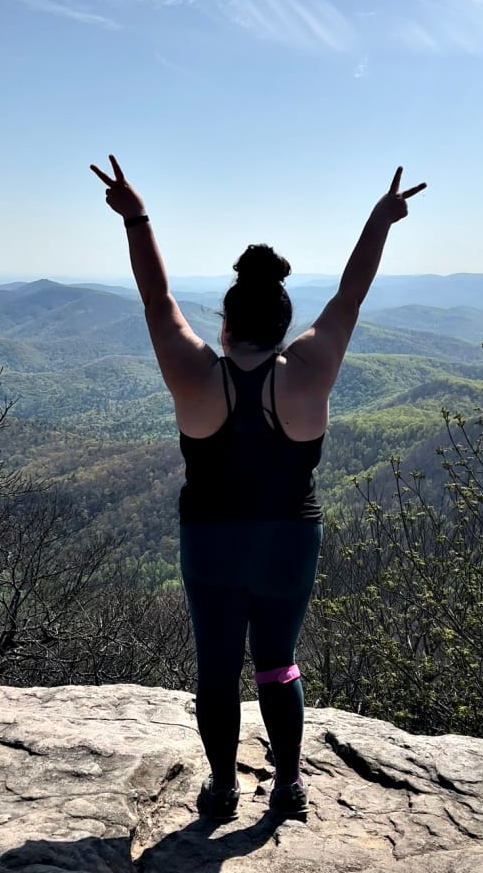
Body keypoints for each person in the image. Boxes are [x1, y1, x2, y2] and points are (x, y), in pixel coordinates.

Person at [91, 155, 426, 820]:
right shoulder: (309, 370)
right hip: (288, 542)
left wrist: (137, 218)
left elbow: (157, 299)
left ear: (224, 324)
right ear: (282, 325)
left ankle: (221, 788)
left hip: (210, 541)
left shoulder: (193, 373)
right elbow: (349, 297)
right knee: (277, 662)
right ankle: (291, 784)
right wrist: (380, 220)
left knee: (217, 668)